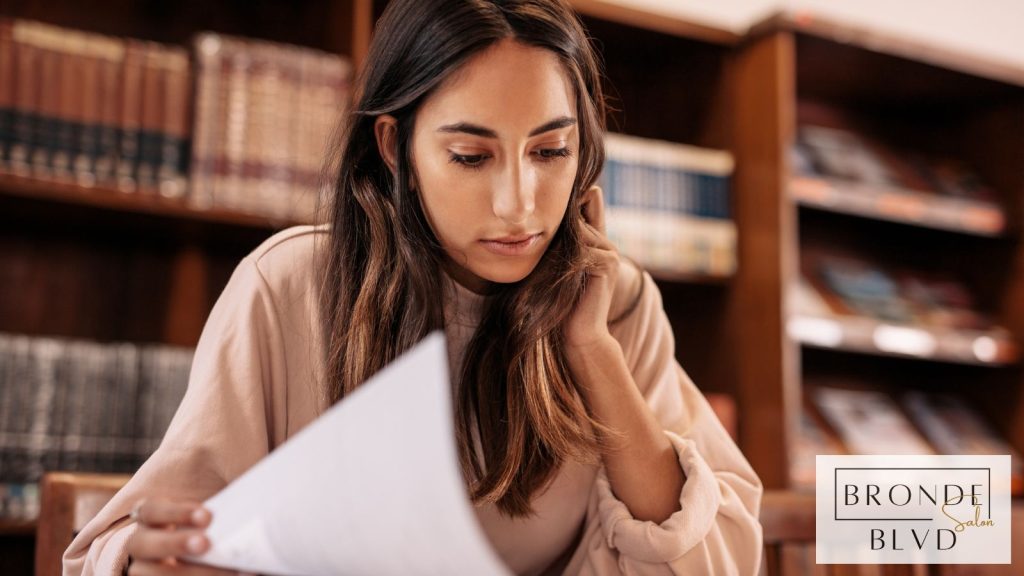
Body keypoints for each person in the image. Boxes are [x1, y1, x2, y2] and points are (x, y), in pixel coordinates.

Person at [64, 0, 763, 574]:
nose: (519, 205)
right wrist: (158, 561)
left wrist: (591, 350)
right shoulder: (288, 289)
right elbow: (128, 545)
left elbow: (716, 558)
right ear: (396, 146)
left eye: (552, 151)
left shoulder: (616, 303)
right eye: (469, 156)